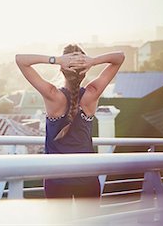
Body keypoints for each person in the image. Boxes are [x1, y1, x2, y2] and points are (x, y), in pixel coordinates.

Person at [15, 44, 125, 216]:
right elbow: (119, 57)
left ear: (62, 70)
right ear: (85, 71)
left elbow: (20, 60)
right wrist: (93, 61)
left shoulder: (53, 95)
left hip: (56, 180)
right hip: (88, 178)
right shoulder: (92, 93)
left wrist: (56, 60)